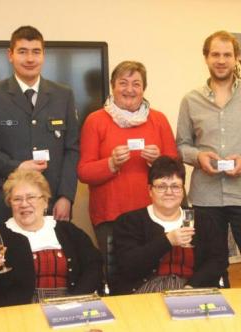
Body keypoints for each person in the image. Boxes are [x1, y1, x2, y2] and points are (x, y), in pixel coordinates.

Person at [176, 31, 241, 287]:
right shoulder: (191, 100)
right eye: (215, 54)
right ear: (206, 57)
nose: (221, 60)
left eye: (227, 55)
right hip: (206, 197)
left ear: (237, 58)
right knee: (209, 266)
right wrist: (198, 156)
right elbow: (181, 145)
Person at [0, 25, 79, 224]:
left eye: (36, 52)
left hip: (52, 201)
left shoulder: (63, 95)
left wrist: (66, 196)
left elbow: (72, 149)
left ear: (43, 55)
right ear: (10, 55)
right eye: (22, 52)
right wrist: (18, 166)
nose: (30, 59)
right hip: (7, 201)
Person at [78, 60, 178, 264]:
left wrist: (158, 161)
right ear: (113, 86)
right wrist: (111, 164)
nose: (129, 89)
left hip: (154, 213)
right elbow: (84, 172)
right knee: (119, 274)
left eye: (136, 84)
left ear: (144, 88)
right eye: (123, 83)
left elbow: (175, 168)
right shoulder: (95, 120)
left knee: (155, 269)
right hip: (111, 215)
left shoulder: (159, 120)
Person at [0, 169, 102, 306]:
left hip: (71, 307)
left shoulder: (68, 231)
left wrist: (75, 300)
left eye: (30, 197)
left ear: (45, 201)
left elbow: (93, 266)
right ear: (10, 203)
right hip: (21, 314)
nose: (24, 204)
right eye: (17, 199)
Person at [110, 156, 227, 294]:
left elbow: (218, 260)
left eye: (175, 186)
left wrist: (192, 287)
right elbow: (128, 266)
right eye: (161, 186)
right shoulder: (130, 221)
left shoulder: (202, 220)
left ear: (183, 190)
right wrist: (168, 241)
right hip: (144, 293)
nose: (169, 192)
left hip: (192, 289)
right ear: (150, 190)